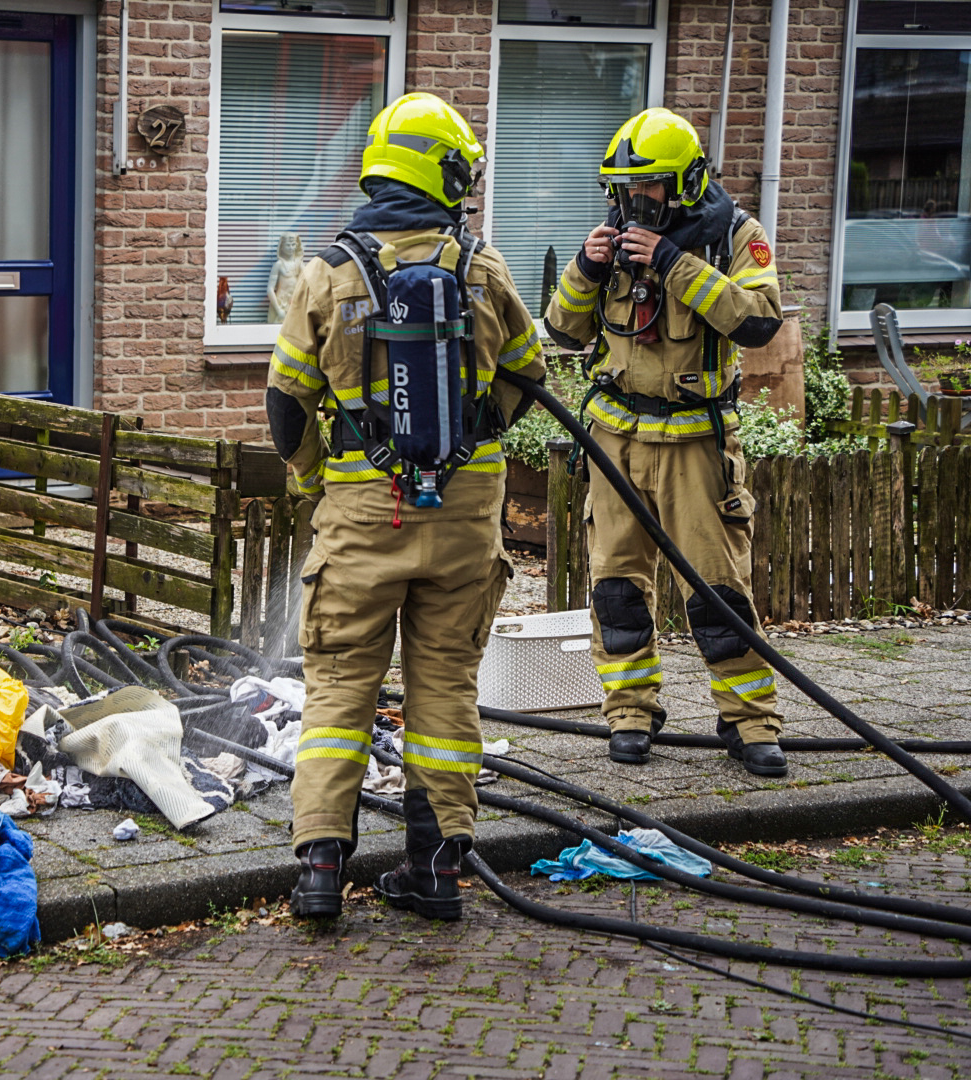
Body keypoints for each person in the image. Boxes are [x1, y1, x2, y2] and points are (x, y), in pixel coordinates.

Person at [266, 92, 547, 921]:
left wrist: (320, 474)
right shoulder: (483, 267)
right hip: (464, 520)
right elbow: (531, 377)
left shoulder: (330, 273)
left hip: (362, 514)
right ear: (442, 171)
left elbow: (285, 406)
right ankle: (437, 872)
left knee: (340, 685)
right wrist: (474, 436)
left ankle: (319, 872)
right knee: (445, 687)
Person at [544, 108, 786, 777]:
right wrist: (587, 271)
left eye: (646, 187)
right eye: (622, 189)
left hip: (694, 445)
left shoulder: (734, 234)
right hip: (614, 439)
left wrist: (677, 264)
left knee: (718, 592)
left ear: (681, 182)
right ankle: (629, 712)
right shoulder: (618, 236)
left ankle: (749, 722)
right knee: (616, 588)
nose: (633, 201)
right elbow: (563, 332)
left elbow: (760, 321)